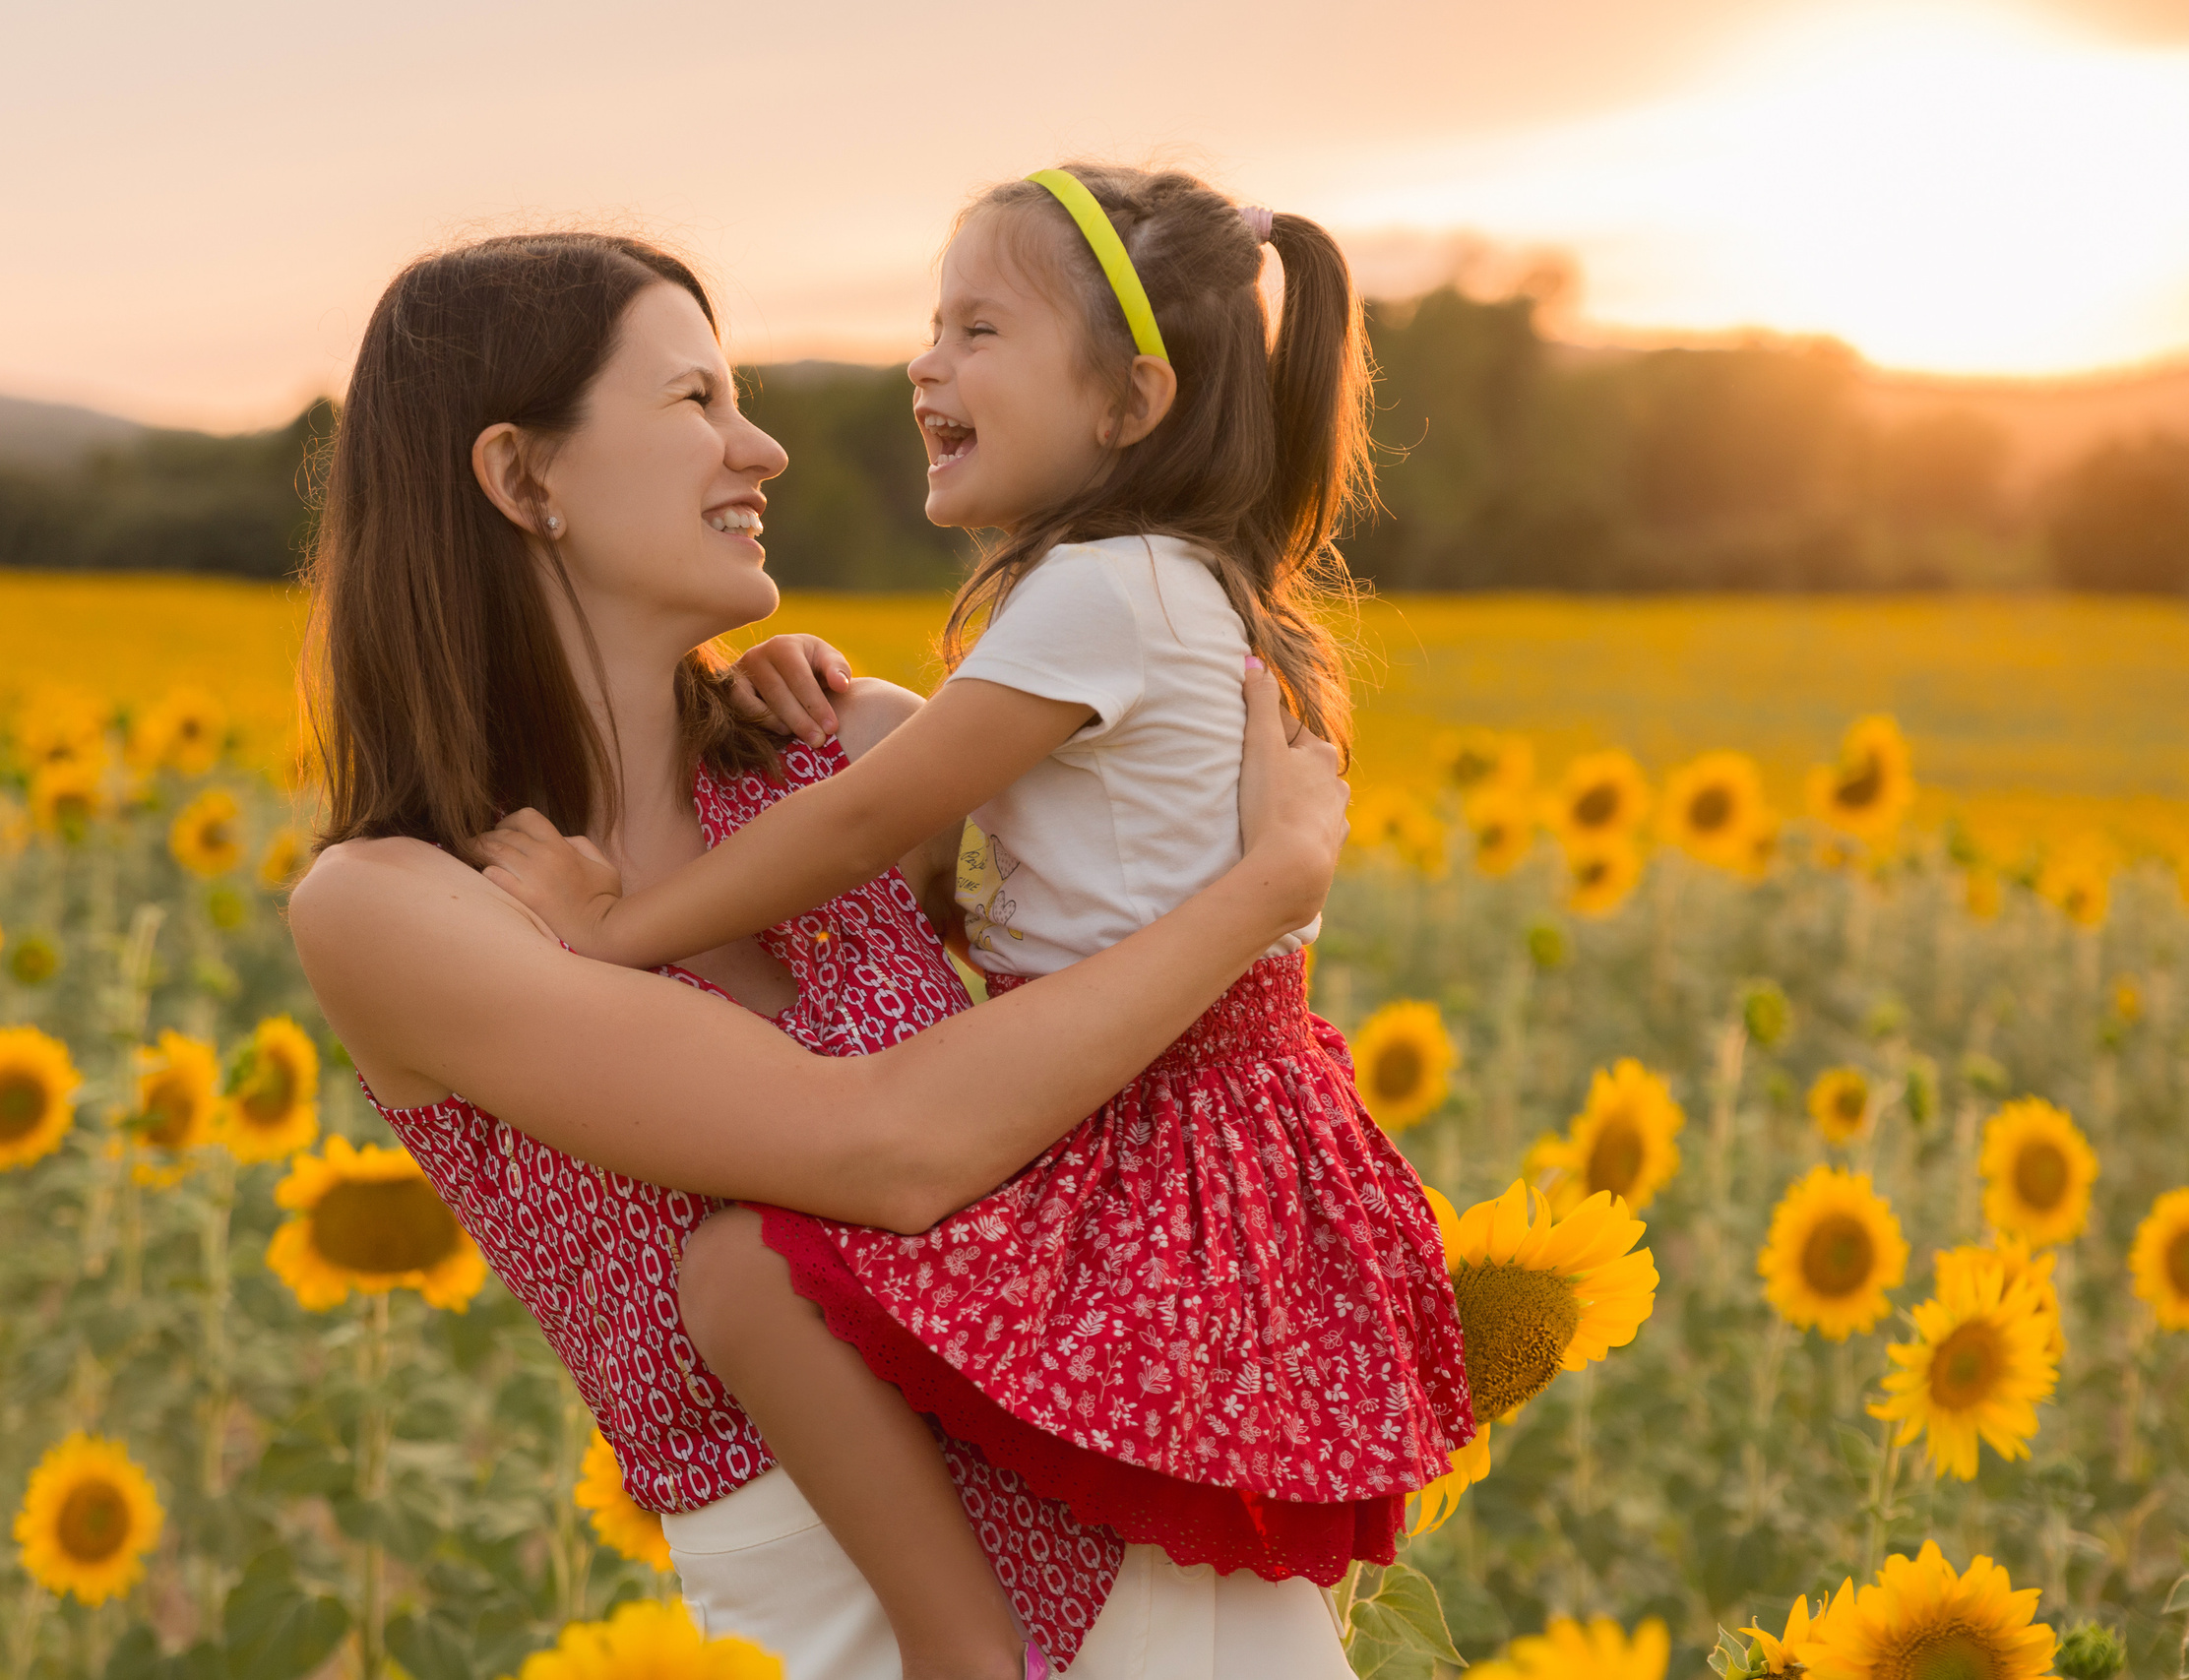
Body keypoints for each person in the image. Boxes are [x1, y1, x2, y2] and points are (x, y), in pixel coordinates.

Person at [284, 227, 1360, 1679]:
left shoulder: (853, 755)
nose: (764, 449)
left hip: (1154, 1522)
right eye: (696, 404)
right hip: (858, 1619)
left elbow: (1134, 991)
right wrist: (1265, 893)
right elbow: (888, 1152)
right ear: (522, 477)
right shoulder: (399, 905)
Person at [497, 165, 1475, 1680]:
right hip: (1197, 1092)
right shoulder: (1156, 586)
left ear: (1129, 401)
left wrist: (609, 935)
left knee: (749, 1278)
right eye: (930, 324)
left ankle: (960, 1653)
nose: (924, 362)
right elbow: (956, 863)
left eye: (979, 328)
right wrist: (790, 684)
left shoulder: (1101, 592)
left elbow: (868, 823)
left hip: (1149, 1107)